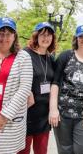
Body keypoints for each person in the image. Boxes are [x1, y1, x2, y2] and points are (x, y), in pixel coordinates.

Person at [0, 17, 33, 154]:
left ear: (14, 36)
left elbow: (24, 88)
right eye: (1, 33)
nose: (4, 37)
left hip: (10, 117)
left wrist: (5, 115)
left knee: (7, 151)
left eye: (9, 34)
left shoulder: (23, 57)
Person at [49, 25, 83, 154]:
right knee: (65, 150)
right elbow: (55, 83)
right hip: (62, 114)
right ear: (76, 39)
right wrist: (53, 109)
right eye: (81, 36)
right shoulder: (66, 56)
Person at [18, 22, 57, 154]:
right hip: (27, 112)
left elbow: (54, 84)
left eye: (49, 35)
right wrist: (27, 91)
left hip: (44, 114)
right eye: (42, 35)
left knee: (41, 151)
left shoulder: (51, 58)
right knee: (23, 150)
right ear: (36, 36)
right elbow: (15, 76)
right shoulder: (25, 54)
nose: (46, 38)